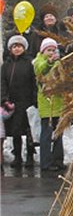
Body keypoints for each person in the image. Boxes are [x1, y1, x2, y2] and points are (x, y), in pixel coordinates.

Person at [0, 35, 37, 174]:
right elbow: (2, 82)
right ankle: (17, 156)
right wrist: (4, 99)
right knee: (15, 131)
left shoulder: (29, 63)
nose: (17, 48)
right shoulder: (6, 65)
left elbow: (34, 82)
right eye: (14, 46)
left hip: (26, 101)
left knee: (29, 131)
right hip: (11, 102)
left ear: (24, 48)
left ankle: (30, 157)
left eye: (19, 46)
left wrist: (34, 100)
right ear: (10, 49)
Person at [33, 37, 65, 176]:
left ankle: (58, 161)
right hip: (47, 105)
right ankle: (46, 163)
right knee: (46, 134)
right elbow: (40, 69)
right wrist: (49, 62)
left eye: (53, 50)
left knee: (59, 134)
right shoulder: (39, 61)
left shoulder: (59, 62)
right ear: (43, 51)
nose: (51, 52)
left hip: (58, 102)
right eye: (48, 50)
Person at [0, 101, 15, 175]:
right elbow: (7, 116)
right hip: (1, 133)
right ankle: (0, 165)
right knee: (0, 150)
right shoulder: (1, 110)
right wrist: (12, 109)